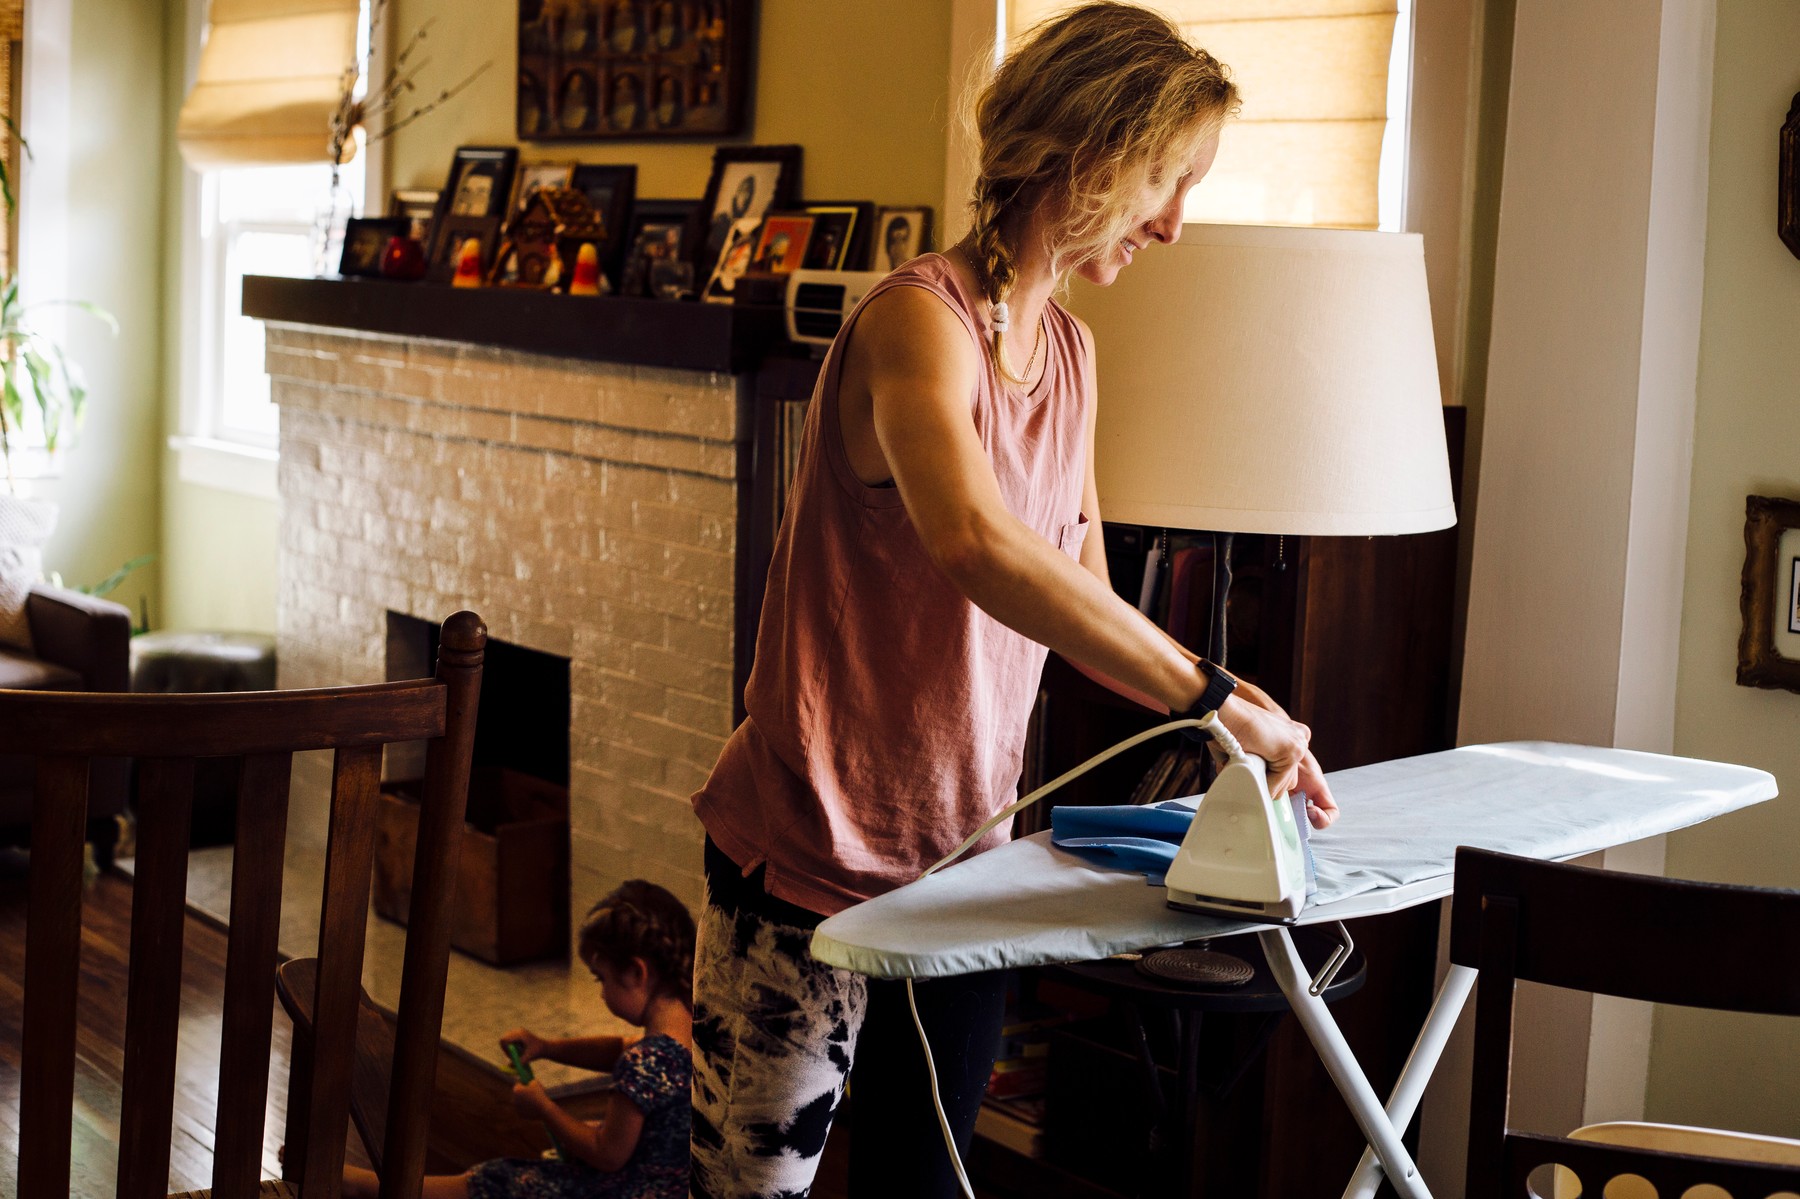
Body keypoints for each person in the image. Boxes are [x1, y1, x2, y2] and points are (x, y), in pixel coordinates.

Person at [688, 5, 1339, 1198]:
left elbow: (1078, 596)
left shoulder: (1074, 359)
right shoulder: (914, 325)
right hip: (802, 860)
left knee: (925, 1185)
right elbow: (979, 543)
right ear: (1088, 156)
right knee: (748, 1193)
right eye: (1164, 181)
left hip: (965, 860)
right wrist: (1212, 697)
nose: (1176, 224)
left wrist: (1230, 707)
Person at [342, 881, 695, 1199]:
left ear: (636, 972)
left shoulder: (645, 1062)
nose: (601, 993)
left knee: (498, 1178)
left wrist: (545, 1108)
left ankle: (370, 1187)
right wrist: (547, 1047)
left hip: (627, 1190)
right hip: (672, 1185)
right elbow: (620, 1048)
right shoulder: (690, 1035)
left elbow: (606, 1153)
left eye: (600, 978)